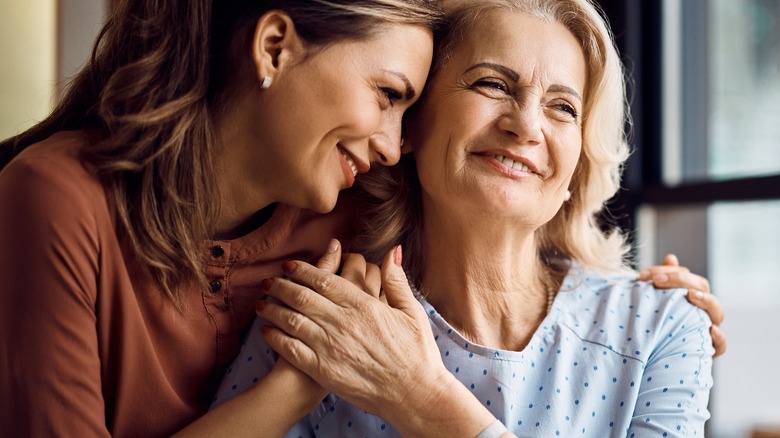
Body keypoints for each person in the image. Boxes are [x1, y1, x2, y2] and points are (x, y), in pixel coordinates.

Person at [214, 0, 717, 436]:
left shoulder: (660, 328)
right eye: (493, 84)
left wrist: (420, 399)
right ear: (412, 124)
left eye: (562, 107)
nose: (525, 125)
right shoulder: (324, 316)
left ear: (578, 166)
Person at [0, 1, 441, 436]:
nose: (390, 145)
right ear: (274, 48)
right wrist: (298, 382)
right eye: (387, 95)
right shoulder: (56, 198)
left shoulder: (356, 234)